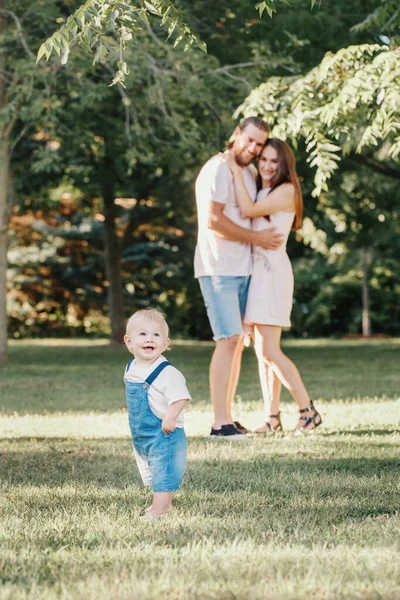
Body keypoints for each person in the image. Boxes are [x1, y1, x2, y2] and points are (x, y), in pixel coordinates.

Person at [194, 116, 283, 439]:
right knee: (228, 338)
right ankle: (220, 424)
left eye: (260, 143)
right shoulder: (218, 167)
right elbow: (213, 220)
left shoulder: (247, 171)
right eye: (249, 140)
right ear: (236, 135)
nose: (254, 148)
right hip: (218, 266)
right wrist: (256, 238)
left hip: (243, 268)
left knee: (237, 343)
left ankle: (227, 418)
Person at [224, 138, 322, 433]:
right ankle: (272, 417)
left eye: (273, 161)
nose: (266, 165)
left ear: (284, 165)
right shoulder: (263, 187)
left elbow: (248, 210)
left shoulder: (286, 191)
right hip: (257, 274)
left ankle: (308, 411)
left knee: (270, 351)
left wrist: (233, 168)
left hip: (273, 274)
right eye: (262, 159)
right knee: (262, 352)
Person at [123, 308, 190, 520]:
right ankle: (165, 506)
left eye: (156, 335)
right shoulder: (132, 367)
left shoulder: (167, 372)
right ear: (129, 342)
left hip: (165, 431)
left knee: (163, 471)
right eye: (142, 334)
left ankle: (158, 511)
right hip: (143, 432)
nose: (149, 339)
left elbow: (180, 397)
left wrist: (170, 418)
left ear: (165, 343)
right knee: (154, 469)